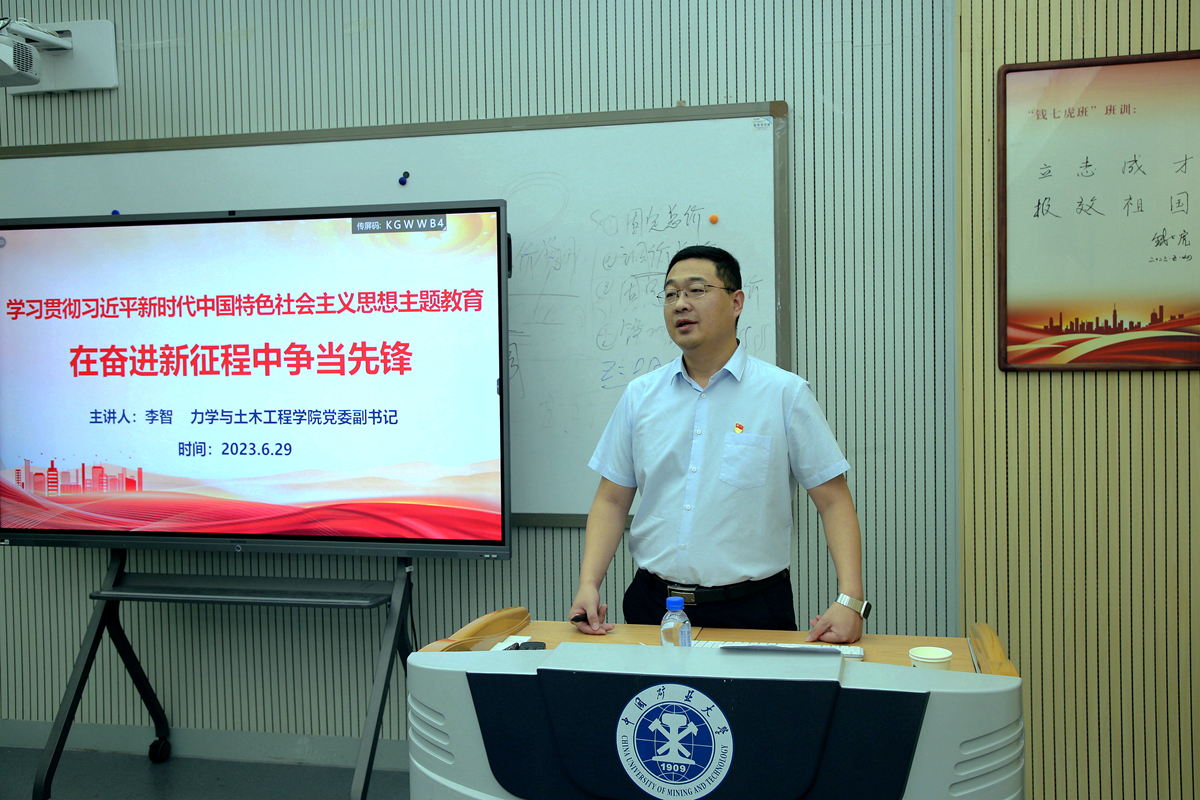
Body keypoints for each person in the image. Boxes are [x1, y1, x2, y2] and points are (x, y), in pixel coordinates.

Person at [569, 245, 868, 643]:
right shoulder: (641, 395)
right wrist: (588, 583)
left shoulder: (784, 393)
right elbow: (611, 500)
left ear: (736, 302)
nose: (680, 304)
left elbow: (833, 500)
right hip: (652, 606)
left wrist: (851, 600)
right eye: (671, 294)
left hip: (753, 610)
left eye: (696, 290)